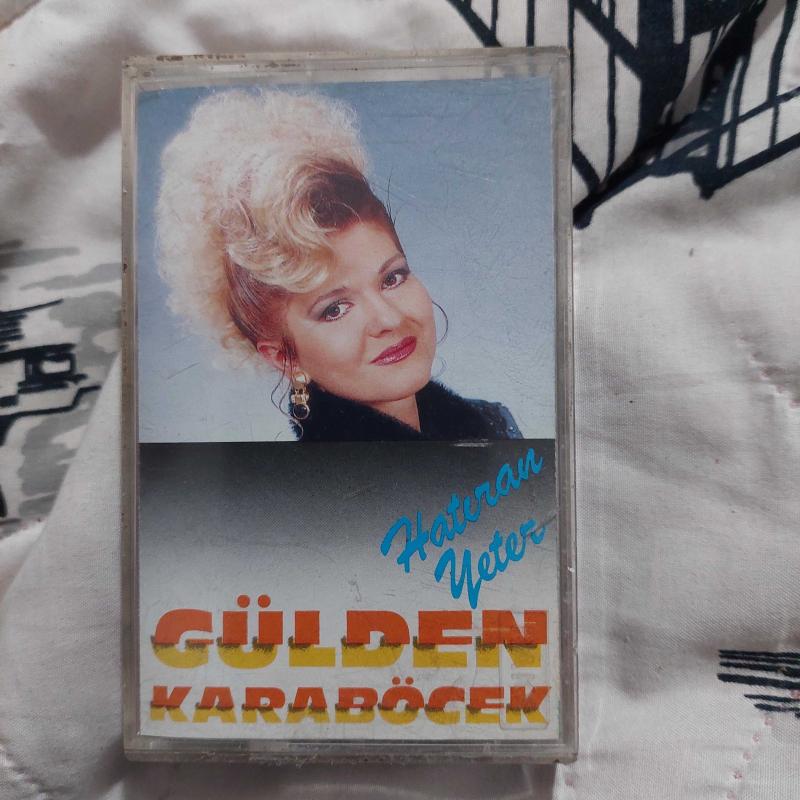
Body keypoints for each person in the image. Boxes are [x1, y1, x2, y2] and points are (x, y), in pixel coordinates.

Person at [157, 89, 522, 442]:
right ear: (285, 358)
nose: (389, 319)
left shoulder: (495, 427)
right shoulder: (306, 484)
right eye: (335, 309)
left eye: (392, 278)